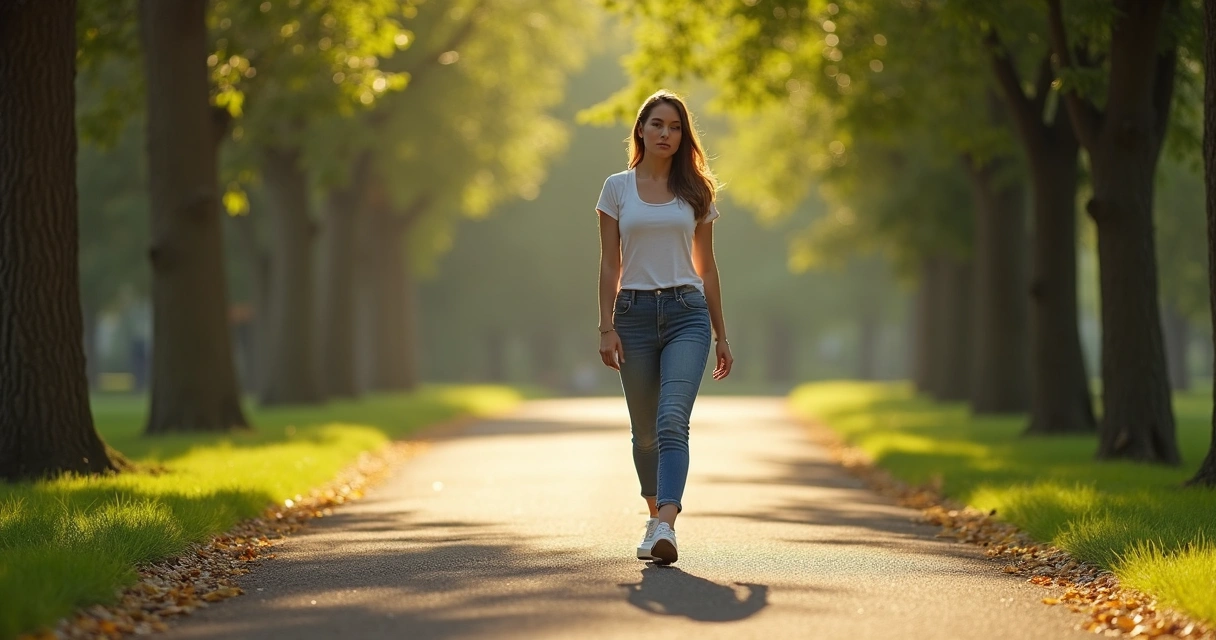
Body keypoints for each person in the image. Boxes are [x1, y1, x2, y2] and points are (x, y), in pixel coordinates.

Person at [595, 90, 734, 565]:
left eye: (675, 127)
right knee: (645, 433)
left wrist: (721, 335)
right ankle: (654, 517)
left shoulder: (696, 192)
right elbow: (609, 264)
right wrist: (606, 326)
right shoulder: (616, 189)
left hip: (686, 314)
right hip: (632, 315)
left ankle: (667, 524)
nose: (665, 134)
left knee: (672, 419)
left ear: (683, 135)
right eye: (657, 124)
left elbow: (707, 267)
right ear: (641, 129)